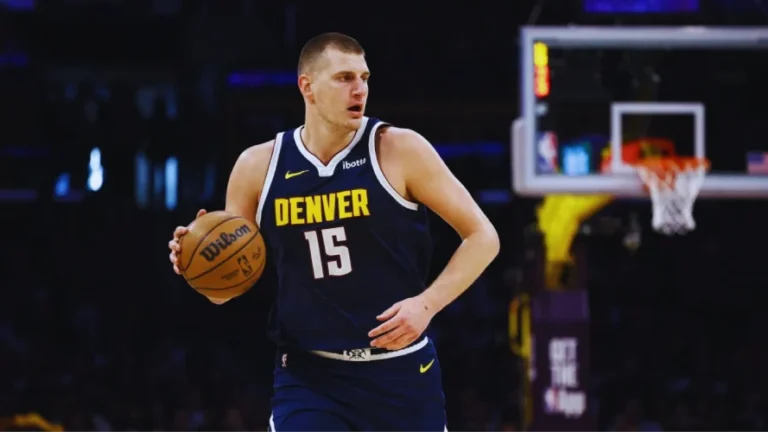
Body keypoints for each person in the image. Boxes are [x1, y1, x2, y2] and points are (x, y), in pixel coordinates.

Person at [168, 32, 499, 432]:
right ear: (307, 86)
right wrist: (194, 261)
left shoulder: (398, 149)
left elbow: (483, 237)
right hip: (309, 378)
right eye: (344, 78)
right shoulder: (257, 167)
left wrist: (427, 305)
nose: (360, 89)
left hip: (400, 374)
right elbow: (226, 289)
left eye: (364, 77)